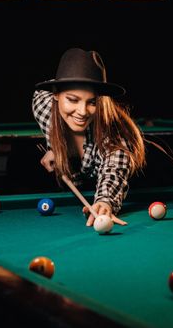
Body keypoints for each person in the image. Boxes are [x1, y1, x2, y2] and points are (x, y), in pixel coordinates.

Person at [32, 48, 146, 227]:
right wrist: (53, 146)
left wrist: (105, 201)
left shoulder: (115, 135)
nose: (83, 112)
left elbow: (113, 170)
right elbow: (40, 94)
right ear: (55, 94)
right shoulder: (43, 106)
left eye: (92, 102)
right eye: (73, 99)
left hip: (140, 186)